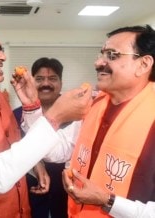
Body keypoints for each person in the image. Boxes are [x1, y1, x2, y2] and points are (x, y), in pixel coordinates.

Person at [0, 21, 92, 217]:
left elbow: (11, 145)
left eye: (0, 48)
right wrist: (55, 118)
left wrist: (36, 166)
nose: (2, 56)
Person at [58, 25, 155, 217]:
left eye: (112, 55)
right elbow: (61, 149)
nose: (98, 63)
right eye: (101, 54)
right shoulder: (95, 102)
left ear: (143, 64)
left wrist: (107, 201)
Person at [24, 57, 81, 218]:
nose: (45, 84)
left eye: (52, 79)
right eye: (39, 79)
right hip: (31, 195)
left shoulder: (78, 114)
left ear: (61, 83)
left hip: (69, 194)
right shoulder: (17, 115)